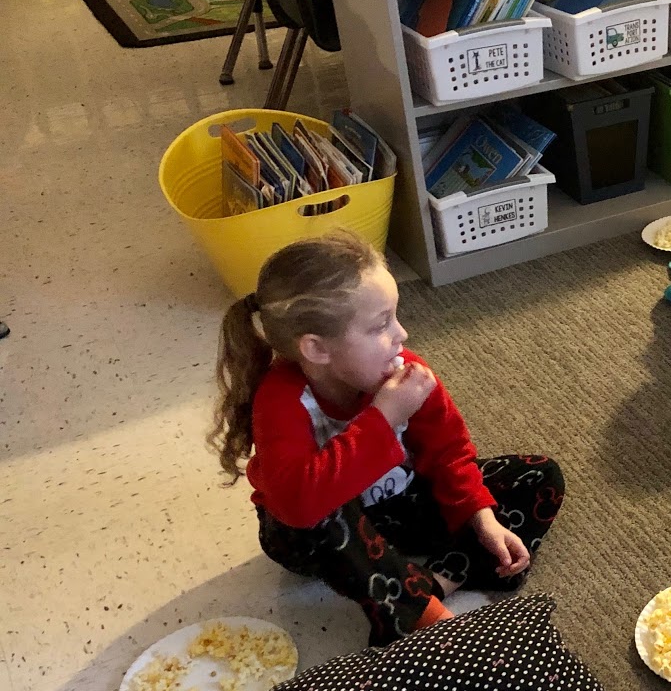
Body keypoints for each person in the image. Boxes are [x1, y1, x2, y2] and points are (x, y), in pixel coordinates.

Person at [208, 231, 564, 646]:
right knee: (320, 507)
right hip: (319, 535)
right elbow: (297, 504)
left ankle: (431, 584)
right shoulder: (282, 400)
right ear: (317, 349)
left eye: (395, 317)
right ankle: (415, 616)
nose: (401, 334)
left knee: (539, 476)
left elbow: (449, 453)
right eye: (380, 325)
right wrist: (385, 416)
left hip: (400, 508)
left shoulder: (406, 372)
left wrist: (482, 519)